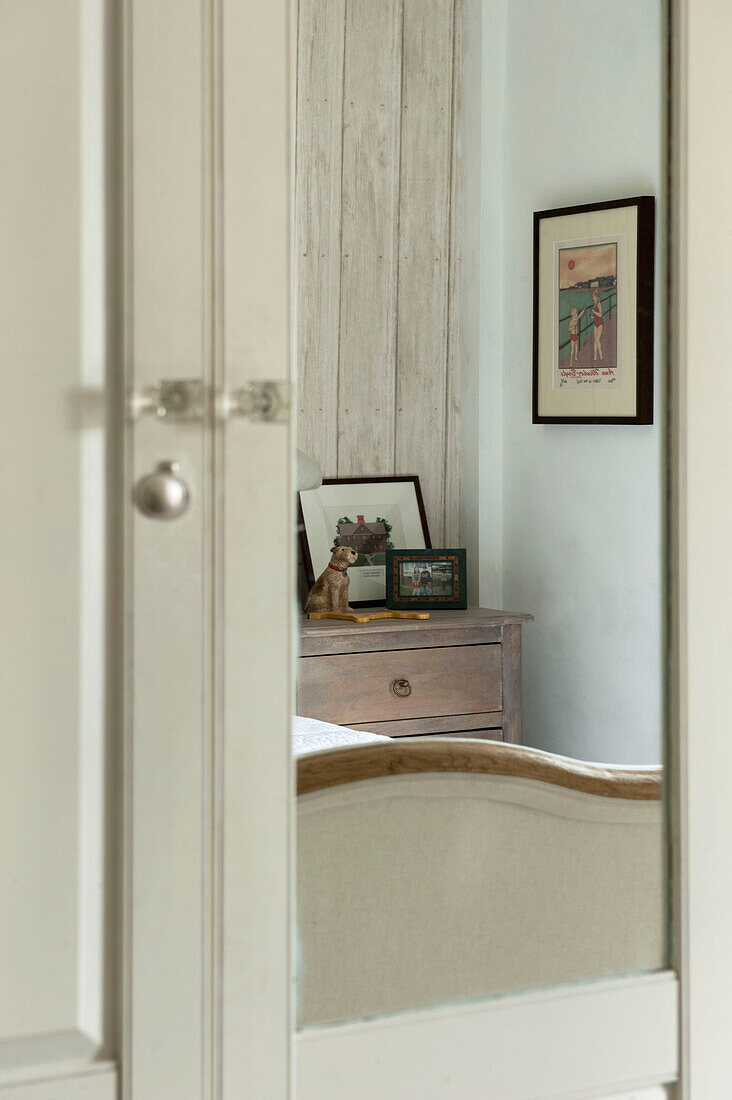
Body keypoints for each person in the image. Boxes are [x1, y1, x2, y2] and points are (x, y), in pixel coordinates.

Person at [591, 290, 603, 361]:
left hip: (600, 324)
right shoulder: (594, 304)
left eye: (593, 296)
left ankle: (601, 354)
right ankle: (595, 355)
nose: (592, 298)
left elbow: (600, 314)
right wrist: (592, 316)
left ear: (596, 297)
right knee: (595, 341)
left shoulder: (599, 304)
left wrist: (594, 312)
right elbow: (596, 315)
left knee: (597, 340)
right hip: (595, 323)